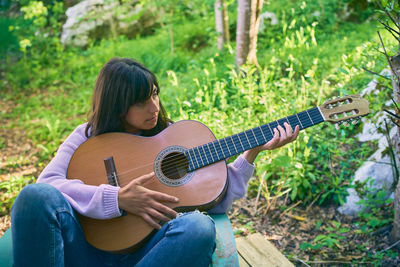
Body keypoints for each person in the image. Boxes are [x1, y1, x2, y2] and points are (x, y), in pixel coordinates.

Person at [11, 58, 299, 267]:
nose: (154, 107)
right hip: (84, 251)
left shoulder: (172, 137)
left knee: (198, 227)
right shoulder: (87, 136)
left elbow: (216, 201)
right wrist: (117, 198)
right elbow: (48, 186)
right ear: (117, 104)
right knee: (33, 195)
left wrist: (250, 154)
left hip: (150, 254)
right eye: (141, 101)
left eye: (154, 94)